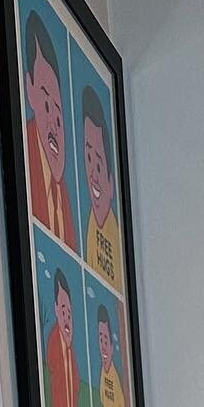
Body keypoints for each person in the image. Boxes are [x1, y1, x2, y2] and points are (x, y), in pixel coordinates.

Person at [23, 12, 77, 250]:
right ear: (30, 89)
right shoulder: (26, 156)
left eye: (58, 111)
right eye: (46, 105)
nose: (54, 124)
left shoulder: (63, 192)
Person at [43, 268, 88, 407]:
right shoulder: (54, 342)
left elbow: (77, 386)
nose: (67, 319)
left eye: (70, 313)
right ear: (55, 309)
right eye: (63, 311)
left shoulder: (72, 355)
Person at [81, 85, 123, 290]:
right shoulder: (88, 226)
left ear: (111, 184)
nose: (93, 175)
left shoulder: (115, 239)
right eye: (89, 159)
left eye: (99, 165)